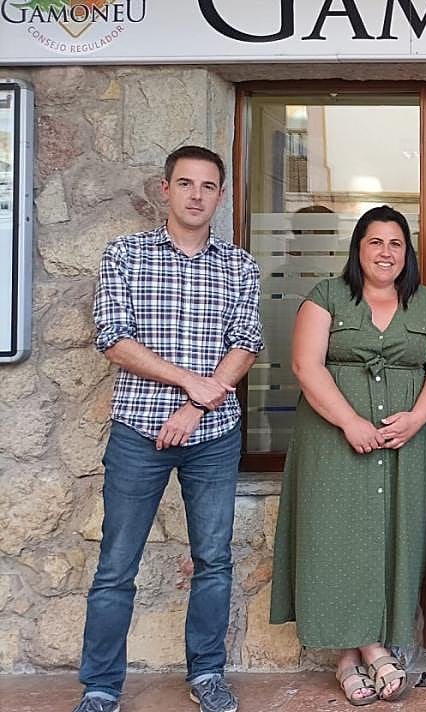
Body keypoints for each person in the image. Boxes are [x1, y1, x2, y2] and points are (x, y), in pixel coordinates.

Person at [76, 145, 263, 712]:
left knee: (213, 559)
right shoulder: (126, 255)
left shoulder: (239, 265)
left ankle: (207, 674)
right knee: (116, 565)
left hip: (212, 436)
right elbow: (113, 338)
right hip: (138, 431)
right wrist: (190, 383)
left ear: (221, 195)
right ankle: (102, 686)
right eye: (185, 184)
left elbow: (246, 343)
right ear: (166, 189)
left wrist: (196, 409)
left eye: (208, 186)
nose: (196, 195)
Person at [270, 205, 426, 706]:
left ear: (407, 253)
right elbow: (306, 366)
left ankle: (349, 658)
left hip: (402, 444)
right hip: (332, 440)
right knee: (337, 538)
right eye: (375, 242)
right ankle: (373, 649)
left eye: (396, 243)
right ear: (358, 249)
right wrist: (350, 422)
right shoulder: (328, 295)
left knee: (391, 536)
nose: (386, 252)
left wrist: (415, 419)